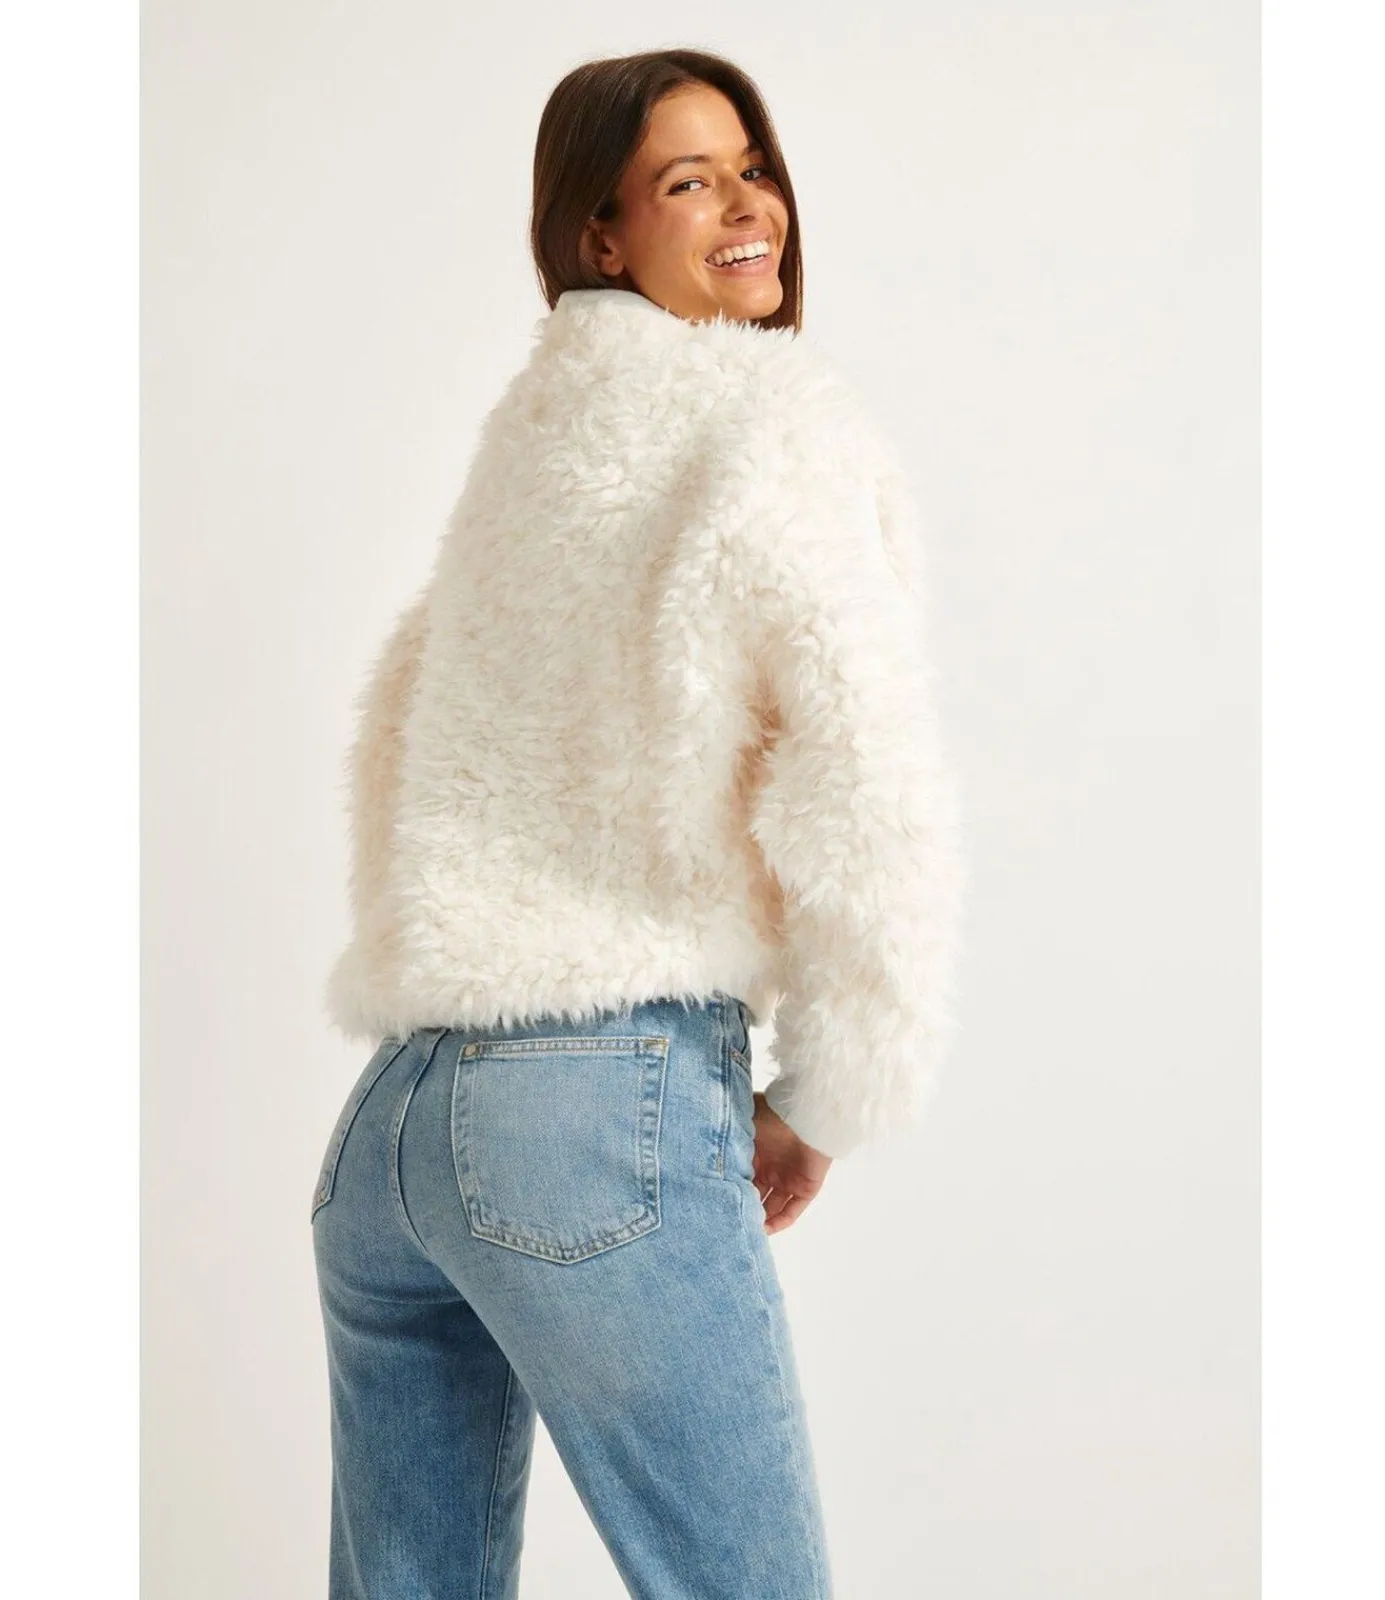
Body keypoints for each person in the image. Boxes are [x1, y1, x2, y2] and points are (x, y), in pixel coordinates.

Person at [310, 47, 967, 1600]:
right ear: (599, 234)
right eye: (689, 182)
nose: (749, 207)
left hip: (395, 1135)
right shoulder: (768, 423)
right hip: (598, 1106)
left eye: (753, 167)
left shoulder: (530, 449)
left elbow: (400, 718)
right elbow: (867, 775)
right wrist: (831, 1093)